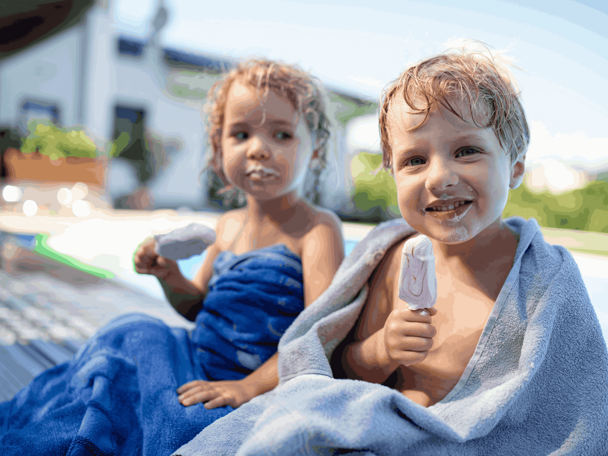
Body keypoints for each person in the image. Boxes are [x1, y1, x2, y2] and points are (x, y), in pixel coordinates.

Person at [173, 45, 608, 455]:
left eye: (467, 151)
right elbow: (340, 366)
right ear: (392, 172)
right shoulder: (395, 260)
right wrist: (381, 350)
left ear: (514, 166)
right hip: (382, 432)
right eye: (414, 160)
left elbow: (575, 407)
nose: (439, 177)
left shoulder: (543, 281)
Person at [0, 58, 344, 456]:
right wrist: (168, 275)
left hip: (255, 380)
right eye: (241, 133)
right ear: (218, 150)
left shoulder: (317, 229)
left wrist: (247, 388)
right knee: (129, 330)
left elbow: (318, 334)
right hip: (192, 356)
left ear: (315, 150)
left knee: (179, 420)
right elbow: (197, 306)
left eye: (282, 134)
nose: (258, 150)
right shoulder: (228, 226)